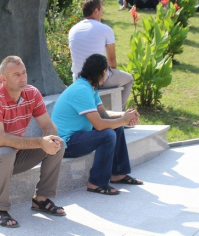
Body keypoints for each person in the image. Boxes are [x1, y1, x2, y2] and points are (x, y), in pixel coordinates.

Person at [0, 56, 66, 228]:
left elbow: (49, 127)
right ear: (3, 79)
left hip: (11, 156)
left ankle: (41, 199)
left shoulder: (32, 93)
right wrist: (39, 142)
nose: (23, 78)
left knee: (58, 143)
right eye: (16, 75)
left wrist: (48, 139)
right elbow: (0, 139)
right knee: (5, 151)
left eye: (24, 73)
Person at [51, 54, 142, 196]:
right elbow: (99, 125)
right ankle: (96, 182)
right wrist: (124, 120)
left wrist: (124, 116)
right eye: (108, 72)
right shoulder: (81, 90)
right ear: (102, 73)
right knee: (107, 134)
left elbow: (104, 115)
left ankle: (117, 174)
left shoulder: (90, 88)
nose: (108, 75)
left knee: (115, 127)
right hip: (65, 144)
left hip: (77, 136)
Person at [69, 0, 134, 110]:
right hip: (98, 79)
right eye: (101, 10)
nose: (102, 14)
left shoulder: (73, 29)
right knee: (129, 79)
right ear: (95, 11)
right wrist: (112, 72)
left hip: (77, 78)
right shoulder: (105, 29)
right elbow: (112, 61)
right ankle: (121, 115)